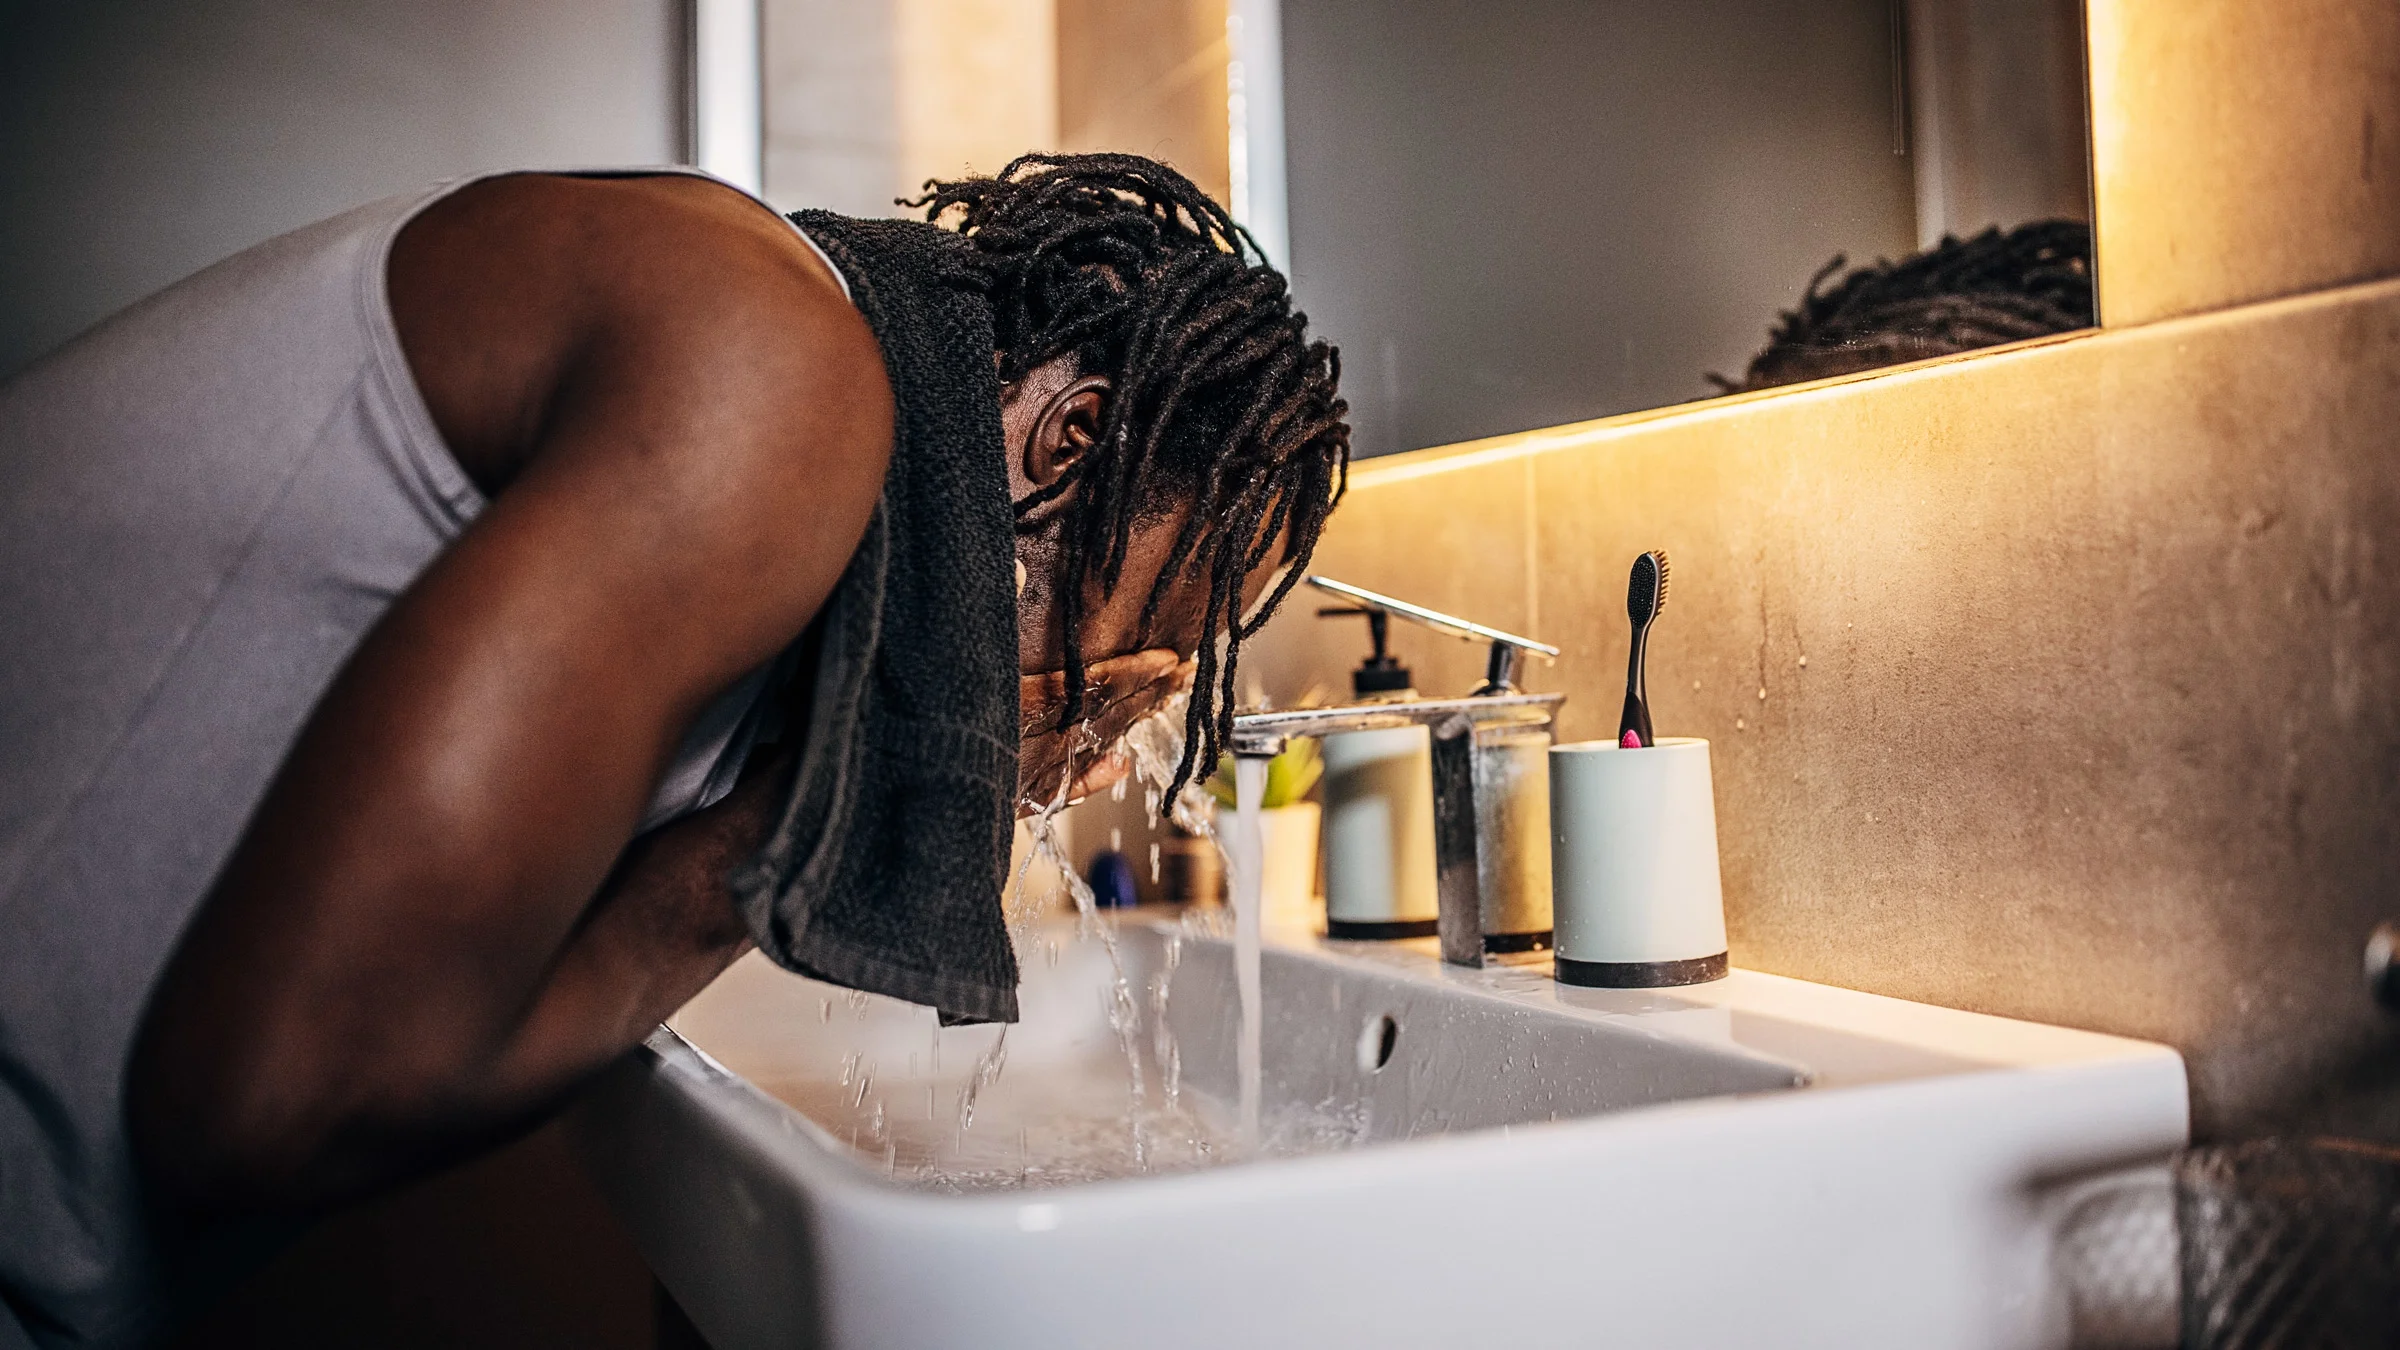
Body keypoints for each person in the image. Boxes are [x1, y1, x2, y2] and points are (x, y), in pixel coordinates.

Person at [0, 153, 1347, 1346]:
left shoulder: (781, 424)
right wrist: (777, 841)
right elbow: (267, 1099)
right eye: (1164, 654)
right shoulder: (770, 370)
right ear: (1073, 439)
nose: (1116, 745)